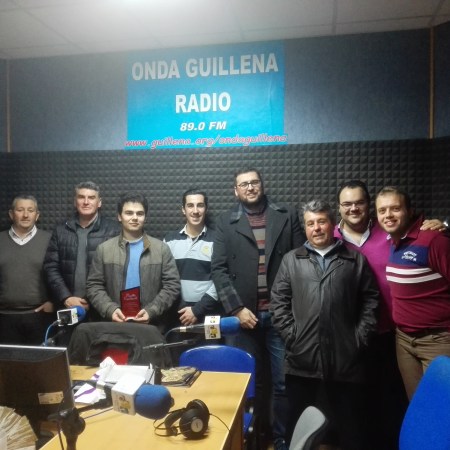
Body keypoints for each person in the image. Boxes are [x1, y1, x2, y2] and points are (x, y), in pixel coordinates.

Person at [335, 180, 445, 449]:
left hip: (396, 333)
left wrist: (442, 224)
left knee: (406, 403)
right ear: (339, 208)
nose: (353, 208)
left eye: (359, 202)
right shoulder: (331, 237)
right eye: (347, 204)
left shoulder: (394, 234)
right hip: (356, 335)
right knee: (363, 402)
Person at [270, 200, 379, 450]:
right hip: (302, 362)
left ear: (332, 224)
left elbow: (370, 300)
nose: (316, 228)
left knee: (351, 429)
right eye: (310, 223)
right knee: (298, 427)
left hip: (346, 362)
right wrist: (293, 336)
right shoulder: (291, 260)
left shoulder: (354, 260)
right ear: (305, 228)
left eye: (321, 221)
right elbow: (278, 302)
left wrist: (358, 339)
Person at [211, 168, 305, 450]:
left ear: (262, 185)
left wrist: (285, 307)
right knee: (249, 384)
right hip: (244, 317)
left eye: (254, 182)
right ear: (235, 190)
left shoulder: (286, 214)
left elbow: (301, 260)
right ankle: (253, 438)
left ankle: (281, 439)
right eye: (243, 184)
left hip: (280, 315)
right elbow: (218, 270)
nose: (250, 187)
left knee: (283, 383)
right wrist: (237, 308)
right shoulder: (225, 221)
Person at [375, 186, 450, 400]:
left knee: (440, 409)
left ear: (409, 211)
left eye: (395, 208)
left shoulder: (434, 241)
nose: (388, 215)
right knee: (417, 407)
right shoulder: (394, 242)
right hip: (404, 342)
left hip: (438, 341)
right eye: (382, 210)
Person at [86, 192, 180, 331]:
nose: (135, 217)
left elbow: (172, 285)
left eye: (139, 213)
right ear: (119, 216)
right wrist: (110, 309)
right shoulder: (104, 249)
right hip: (114, 326)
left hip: (151, 327)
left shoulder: (161, 249)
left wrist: (152, 310)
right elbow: (94, 286)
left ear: (145, 217)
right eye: (129, 213)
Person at [44, 181, 120, 317]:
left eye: (91, 197)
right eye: (81, 197)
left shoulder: (114, 230)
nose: (86, 202)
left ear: (99, 202)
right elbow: (51, 267)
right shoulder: (61, 230)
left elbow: (118, 272)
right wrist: (66, 297)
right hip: (68, 306)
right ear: (75, 201)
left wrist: (97, 301)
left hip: (103, 309)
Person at [0, 195, 54, 345]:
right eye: (20, 210)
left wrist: (53, 301)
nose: (25, 215)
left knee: (40, 359)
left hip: (39, 316)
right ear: (11, 214)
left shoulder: (50, 240)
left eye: (30, 210)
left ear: (37, 215)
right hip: (4, 317)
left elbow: (59, 274)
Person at [164, 188, 222, 326]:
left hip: (208, 315)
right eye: (190, 205)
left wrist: (197, 310)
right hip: (178, 315)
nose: (195, 211)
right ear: (183, 210)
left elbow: (221, 279)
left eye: (200, 205)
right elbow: (165, 280)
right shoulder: (169, 241)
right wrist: (183, 309)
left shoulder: (218, 240)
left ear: (206, 209)